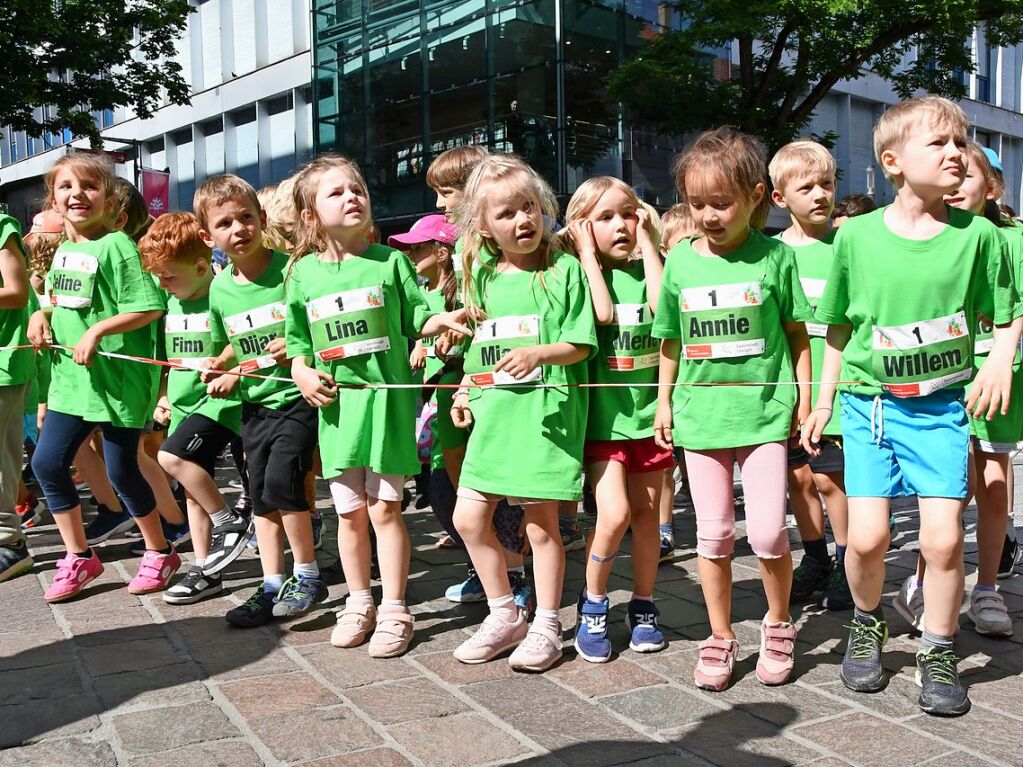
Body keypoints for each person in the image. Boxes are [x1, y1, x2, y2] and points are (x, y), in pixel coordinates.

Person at [801, 96, 1022, 717]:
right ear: (893, 162)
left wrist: (999, 361)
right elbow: (837, 328)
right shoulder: (857, 236)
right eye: (941, 143)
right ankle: (868, 622)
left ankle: (940, 647)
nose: (958, 153)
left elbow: (1005, 314)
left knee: (945, 540)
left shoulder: (979, 235)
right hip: (869, 407)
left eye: (963, 143)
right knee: (867, 541)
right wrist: (822, 400)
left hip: (942, 410)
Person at [287, 155, 468, 657]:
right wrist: (301, 371)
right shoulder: (301, 274)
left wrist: (442, 320)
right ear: (309, 215)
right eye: (336, 192)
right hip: (337, 412)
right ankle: (358, 601)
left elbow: (418, 316)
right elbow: (296, 340)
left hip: (387, 410)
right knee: (348, 514)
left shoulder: (390, 262)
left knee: (385, 508)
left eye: (358, 189)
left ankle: (394, 607)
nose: (352, 197)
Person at [653, 127, 812, 691]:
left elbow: (797, 336)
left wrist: (806, 396)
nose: (708, 215)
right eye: (697, 204)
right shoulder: (680, 263)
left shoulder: (776, 258)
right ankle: (719, 635)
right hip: (700, 419)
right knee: (714, 535)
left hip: (766, 414)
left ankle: (779, 621)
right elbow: (670, 340)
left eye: (721, 203)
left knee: (768, 534)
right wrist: (663, 402)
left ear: (756, 196)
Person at [449, 154, 597, 672]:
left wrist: (539, 353)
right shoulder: (482, 279)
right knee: (468, 518)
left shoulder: (564, 271)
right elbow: (478, 352)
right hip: (494, 420)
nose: (523, 220)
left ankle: (548, 622)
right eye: (507, 213)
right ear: (484, 227)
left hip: (544, 420)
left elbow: (581, 343)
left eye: (530, 207)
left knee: (541, 528)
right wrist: (465, 391)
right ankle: (503, 612)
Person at [28, 153, 175, 602]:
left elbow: (149, 306)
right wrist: (42, 315)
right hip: (71, 382)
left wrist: (98, 330)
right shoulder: (65, 251)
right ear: (53, 200)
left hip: (118, 383)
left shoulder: (117, 246)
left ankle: (160, 550)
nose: (78, 195)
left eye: (90, 186)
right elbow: (63, 298)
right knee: (47, 463)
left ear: (111, 202)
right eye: (66, 187)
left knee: (122, 470)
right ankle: (79, 557)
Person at [198, 173, 325, 627]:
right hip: (255, 405)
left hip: (297, 397)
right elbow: (231, 342)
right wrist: (224, 365)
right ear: (208, 235)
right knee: (258, 495)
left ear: (262, 218)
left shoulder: (292, 269)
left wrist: (296, 348)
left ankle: (307, 575)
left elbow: (315, 324)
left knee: (282, 483)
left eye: (246, 218)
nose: (239, 229)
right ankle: (271, 585)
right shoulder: (219, 288)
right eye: (225, 223)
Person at [564, 177, 671, 663]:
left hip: (650, 421)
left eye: (627, 213)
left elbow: (660, 308)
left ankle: (644, 604)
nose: (620, 225)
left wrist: (650, 242)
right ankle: (594, 601)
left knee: (649, 519)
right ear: (583, 227)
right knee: (614, 515)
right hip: (604, 426)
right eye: (604, 218)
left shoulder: (650, 268)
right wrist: (587, 254)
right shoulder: (574, 273)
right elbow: (603, 315)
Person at [139, 212, 252, 603]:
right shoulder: (171, 304)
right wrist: (164, 395)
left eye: (169, 277)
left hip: (220, 404)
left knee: (171, 459)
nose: (163, 284)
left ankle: (230, 522)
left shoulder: (224, 294)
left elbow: (241, 344)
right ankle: (207, 568)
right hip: (185, 404)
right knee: (192, 487)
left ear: (202, 266)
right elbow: (167, 358)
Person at [769, 140, 852, 610]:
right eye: (807, 187)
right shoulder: (774, 252)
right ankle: (816, 557)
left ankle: (845, 560)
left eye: (827, 184)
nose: (820, 194)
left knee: (830, 481)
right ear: (780, 198)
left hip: (836, 390)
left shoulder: (849, 245)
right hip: (787, 389)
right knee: (798, 480)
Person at [0, 213, 38, 582]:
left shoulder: (2, 227)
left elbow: (17, 292)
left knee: (1, 457)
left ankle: (9, 543)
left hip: (3, 361)